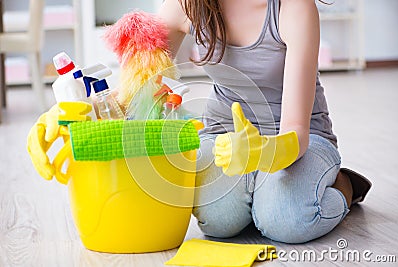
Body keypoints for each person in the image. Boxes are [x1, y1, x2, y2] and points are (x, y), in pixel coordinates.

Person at [158, 0, 371, 243]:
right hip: (224, 133)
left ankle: (345, 185)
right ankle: (260, 194)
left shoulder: (293, 7)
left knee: (287, 220)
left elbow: (296, 132)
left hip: (298, 138)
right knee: (219, 221)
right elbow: (143, 78)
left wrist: (262, 152)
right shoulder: (187, 5)